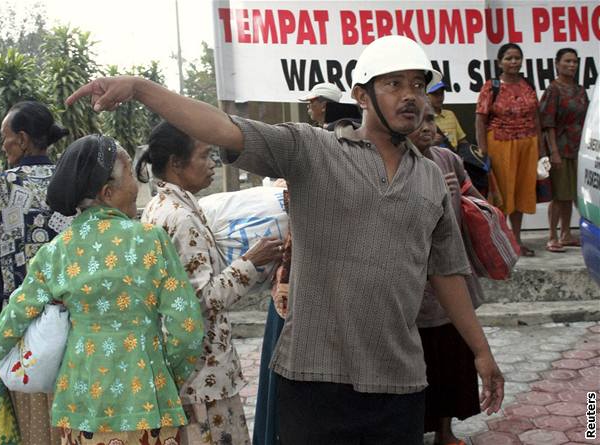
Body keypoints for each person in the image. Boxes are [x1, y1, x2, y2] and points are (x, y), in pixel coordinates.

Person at [67, 34, 505, 444]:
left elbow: (447, 271)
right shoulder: (312, 150)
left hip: (401, 379)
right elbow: (223, 128)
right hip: (314, 378)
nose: (410, 95)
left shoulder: (431, 178)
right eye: (393, 83)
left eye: (417, 84)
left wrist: (481, 352)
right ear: (361, 95)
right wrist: (142, 88)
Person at [0, 134, 204, 445]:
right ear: (107, 192)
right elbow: (187, 330)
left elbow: (4, 332)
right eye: (131, 174)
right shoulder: (150, 241)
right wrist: (166, 377)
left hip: (80, 406)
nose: (137, 184)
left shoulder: (55, 252)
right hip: (148, 403)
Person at [137, 122, 283, 445]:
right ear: (176, 163)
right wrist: (251, 261)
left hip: (182, 367)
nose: (213, 163)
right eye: (205, 155)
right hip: (204, 375)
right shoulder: (183, 218)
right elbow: (203, 299)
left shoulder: (157, 207)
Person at [0, 101, 69, 445]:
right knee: (68, 412)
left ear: (23, 139)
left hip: (23, 323)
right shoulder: (68, 179)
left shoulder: (2, 185)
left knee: (33, 423)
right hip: (72, 319)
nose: (3, 144)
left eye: (5, 137)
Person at [411, 100, 485, 445]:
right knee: (417, 367)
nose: (428, 128)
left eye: (432, 120)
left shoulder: (449, 159)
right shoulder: (396, 163)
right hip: (412, 289)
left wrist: (462, 197)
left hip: (449, 285)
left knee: (450, 363)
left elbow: (476, 203)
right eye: (420, 121)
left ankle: (445, 432)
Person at [475, 43, 546, 257]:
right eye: (508, 58)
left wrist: (541, 149)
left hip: (528, 144)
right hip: (500, 145)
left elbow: (536, 118)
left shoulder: (528, 84)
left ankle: (516, 240)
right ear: (500, 62)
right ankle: (501, 242)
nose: (513, 62)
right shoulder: (492, 86)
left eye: (517, 58)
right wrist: (483, 150)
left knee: (521, 193)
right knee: (502, 196)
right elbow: (480, 118)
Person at [539, 48, 590, 253]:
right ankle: (552, 236)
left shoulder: (580, 90)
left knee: (571, 194)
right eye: (567, 61)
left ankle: (567, 234)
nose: (572, 65)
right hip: (560, 148)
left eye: (575, 61)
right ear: (557, 64)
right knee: (559, 195)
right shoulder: (553, 90)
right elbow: (548, 123)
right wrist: (554, 152)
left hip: (579, 149)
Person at [428, 81, 468, 150]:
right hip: (434, 158)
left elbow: (462, 140)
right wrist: (431, 143)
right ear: (426, 95)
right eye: (435, 94)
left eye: (441, 93)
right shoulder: (422, 119)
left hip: (454, 158)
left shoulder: (450, 114)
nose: (440, 97)